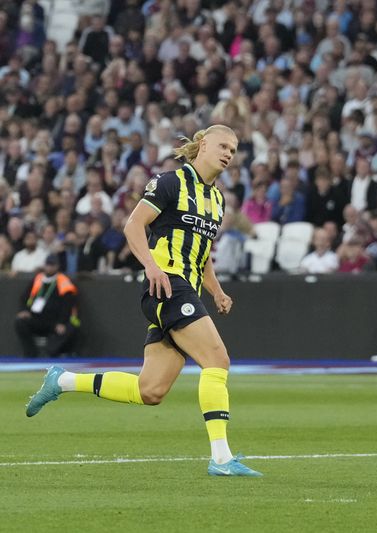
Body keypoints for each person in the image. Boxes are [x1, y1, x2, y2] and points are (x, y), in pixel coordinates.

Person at [25, 125, 262, 477]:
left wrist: (217, 291)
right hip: (167, 286)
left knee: (150, 390)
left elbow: (203, 254)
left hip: (185, 289)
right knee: (217, 358)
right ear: (202, 145)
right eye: (223, 145)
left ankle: (62, 381)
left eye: (233, 148)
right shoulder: (169, 182)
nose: (229, 153)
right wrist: (151, 267)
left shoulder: (217, 200)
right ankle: (222, 458)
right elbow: (134, 225)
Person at [15, 254, 80, 358]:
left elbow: (68, 304)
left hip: (55, 321)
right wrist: (24, 310)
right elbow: (25, 297)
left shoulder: (63, 281)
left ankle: (50, 352)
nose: (49, 267)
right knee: (20, 322)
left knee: (71, 327)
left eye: (52, 265)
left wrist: (61, 322)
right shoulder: (38, 279)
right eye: (47, 265)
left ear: (57, 266)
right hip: (37, 319)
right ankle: (31, 353)